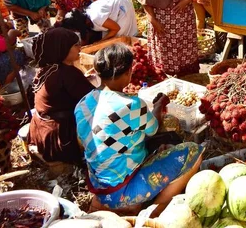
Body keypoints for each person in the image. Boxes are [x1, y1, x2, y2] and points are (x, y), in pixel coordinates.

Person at [75, 43, 203, 214]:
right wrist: (158, 106)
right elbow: (154, 129)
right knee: (194, 152)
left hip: (98, 185)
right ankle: (155, 211)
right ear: (128, 72)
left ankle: (109, 202)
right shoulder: (131, 105)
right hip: (120, 191)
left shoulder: (82, 104)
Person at [28, 28, 95, 163]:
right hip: (60, 137)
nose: (80, 47)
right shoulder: (67, 73)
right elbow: (94, 98)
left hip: (40, 130)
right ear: (62, 48)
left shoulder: (48, 68)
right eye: (75, 45)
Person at [60, 0, 138, 44]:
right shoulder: (87, 18)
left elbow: (116, 28)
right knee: (108, 38)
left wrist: (101, 42)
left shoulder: (96, 18)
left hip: (122, 6)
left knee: (120, 39)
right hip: (115, 6)